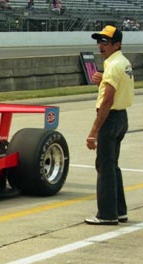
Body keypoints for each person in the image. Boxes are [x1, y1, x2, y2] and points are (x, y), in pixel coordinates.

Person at [84, 25, 134, 225]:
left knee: (104, 166)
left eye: (105, 42)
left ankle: (107, 214)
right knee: (112, 165)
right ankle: (119, 210)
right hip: (121, 118)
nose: (100, 46)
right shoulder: (123, 62)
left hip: (110, 118)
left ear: (117, 44)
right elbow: (116, 89)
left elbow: (107, 101)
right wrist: (102, 81)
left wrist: (93, 131)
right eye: (99, 41)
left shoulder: (112, 66)